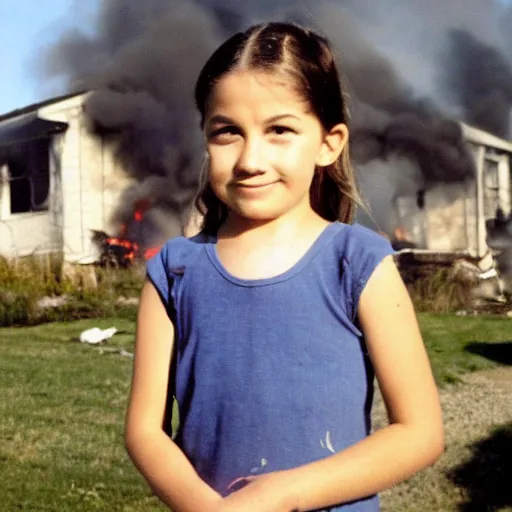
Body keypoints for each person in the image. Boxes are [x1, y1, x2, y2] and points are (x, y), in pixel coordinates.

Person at [125, 21, 444, 512]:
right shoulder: (174, 271)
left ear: (328, 143)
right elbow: (145, 432)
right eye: (228, 132)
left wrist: (284, 494)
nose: (251, 158)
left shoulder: (357, 262)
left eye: (279, 130)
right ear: (205, 139)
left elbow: (420, 433)